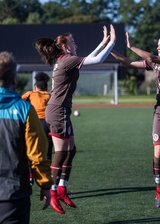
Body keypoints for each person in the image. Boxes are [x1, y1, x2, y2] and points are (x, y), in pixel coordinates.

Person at [34, 24, 116, 214]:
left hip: (62, 110)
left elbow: (90, 57)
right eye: (73, 41)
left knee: (71, 150)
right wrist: (112, 42)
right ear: (65, 46)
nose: (76, 43)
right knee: (61, 152)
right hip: (57, 111)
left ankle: (62, 187)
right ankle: (52, 191)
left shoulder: (65, 58)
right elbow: (97, 60)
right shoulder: (66, 60)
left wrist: (103, 42)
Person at [111, 32, 160, 208]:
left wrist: (132, 46)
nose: (157, 46)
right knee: (158, 152)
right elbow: (128, 63)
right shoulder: (154, 64)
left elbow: (151, 57)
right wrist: (109, 49)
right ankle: (159, 189)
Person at [0, 51, 52, 224]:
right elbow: (37, 154)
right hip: (13, 196)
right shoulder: (25, 110)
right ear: (14, 79)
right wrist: (45, 184)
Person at [22, 72, 53, 161]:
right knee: (48, 146)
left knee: (32, 145)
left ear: (36, 87)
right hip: (47, 123)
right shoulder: (49, 95)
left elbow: (19, 102)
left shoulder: (30, 94)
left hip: (33, 122)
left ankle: (32, 168)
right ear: (46, 87)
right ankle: (48, 166)